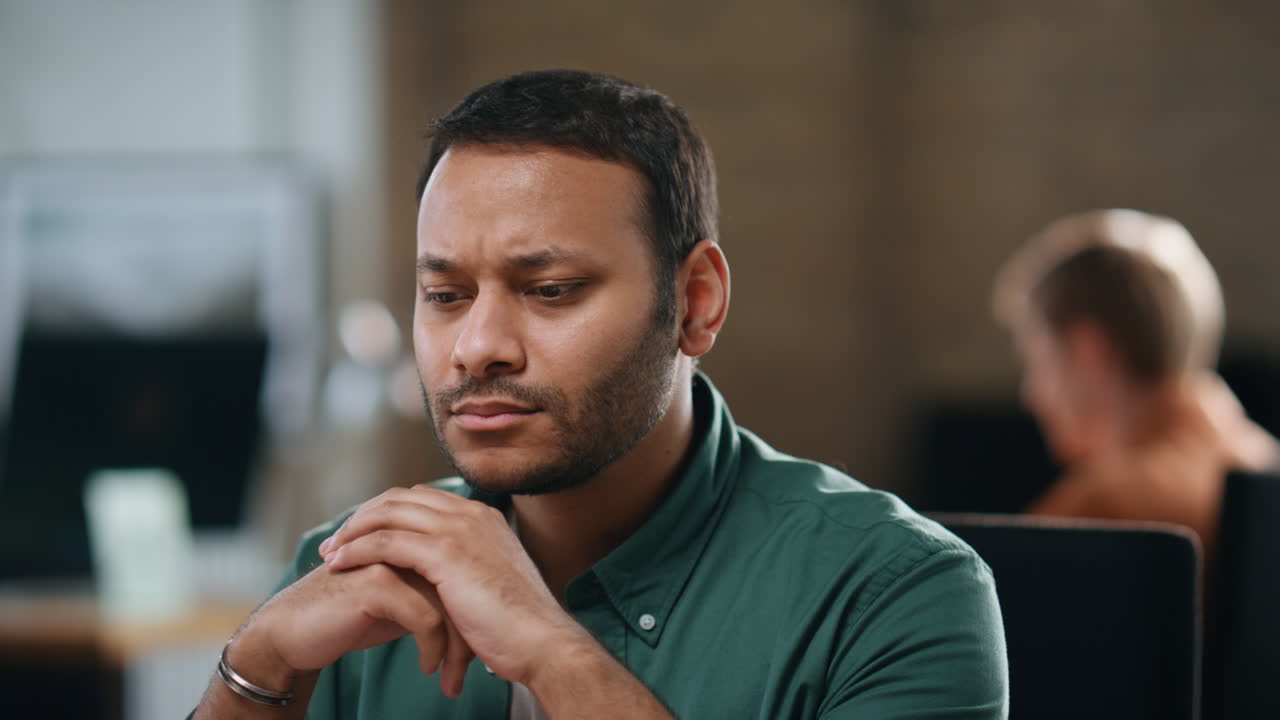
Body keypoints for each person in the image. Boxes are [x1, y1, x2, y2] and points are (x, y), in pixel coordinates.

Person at [194, 69, 1008, 719]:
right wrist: (256, 667)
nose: (478, 346)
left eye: (549, 290)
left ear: (695, 303)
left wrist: (551, 651)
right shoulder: (348, 566)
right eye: (446, 295)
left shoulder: (895, 595)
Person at [993, 209, 1280, 556]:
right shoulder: (1264, 464)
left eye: (1037, 363)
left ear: (1089, 352)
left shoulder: (1099, 511)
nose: (1030, 396)